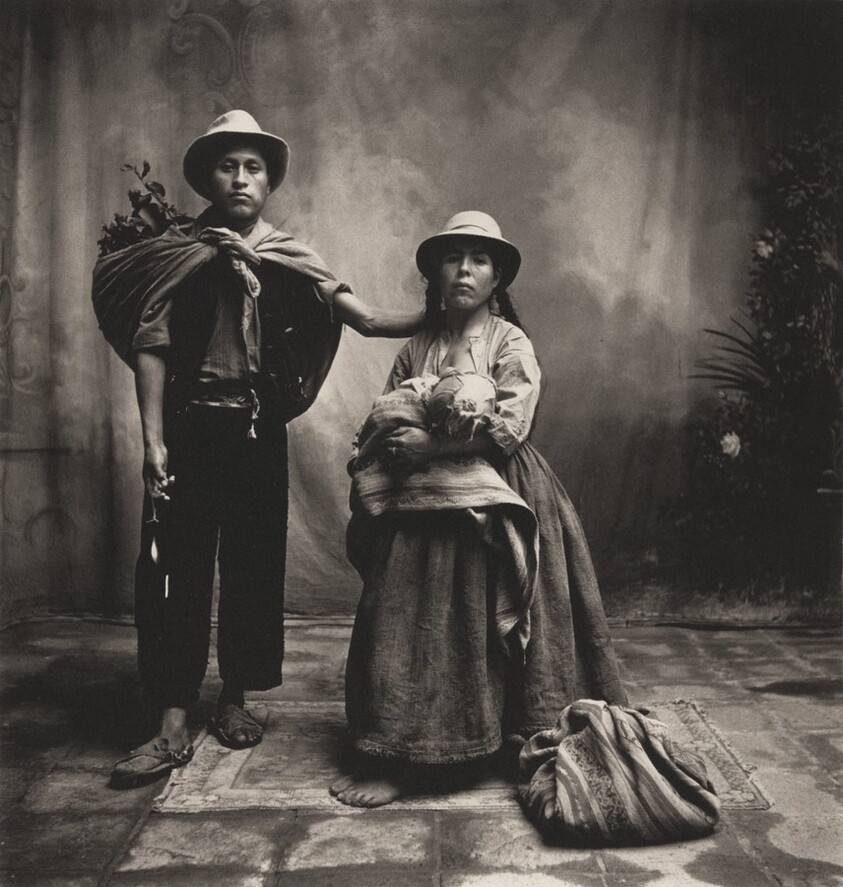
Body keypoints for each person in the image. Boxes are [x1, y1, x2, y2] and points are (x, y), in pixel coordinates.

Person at [97, 111, 423, 788]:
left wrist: (446, 312)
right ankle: (171, 712)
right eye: (226, 166)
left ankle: (236, 698)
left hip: (254, 433)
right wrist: (153, 441)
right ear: (207, 179)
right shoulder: (178, 252)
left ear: (270, 181)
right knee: (174, 572)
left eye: (252, 167)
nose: (240, 178)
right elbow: (150, 347)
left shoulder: (287, 255)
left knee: (251, 563)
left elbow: (362, 318)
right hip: (188, 430)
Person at [332, 211, 628, 807]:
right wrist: (393, 439)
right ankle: (404, 753)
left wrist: (433, 442)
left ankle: (508, 733)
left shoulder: (509, 342)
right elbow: (388, 409)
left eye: (480, 260)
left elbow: (512, 426)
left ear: (498, 280)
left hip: (497, 489)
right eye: (452, 258)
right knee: (408, 614)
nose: (464, 269)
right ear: (435, 275)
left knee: (498, 616)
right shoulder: (418, 345)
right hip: (421, 494)